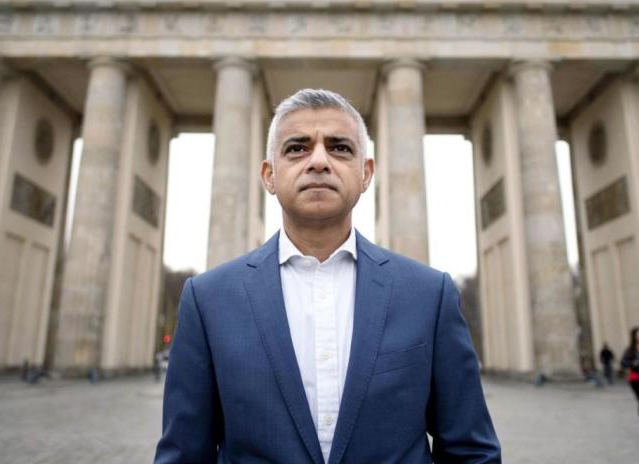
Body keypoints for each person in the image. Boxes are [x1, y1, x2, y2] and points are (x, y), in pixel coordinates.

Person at [155, 89, 501, 463]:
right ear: (269, 175)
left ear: (366, 173)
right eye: (297, 148)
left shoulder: (429, 296)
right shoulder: (208, 301)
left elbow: (471, 451)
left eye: (339, 148)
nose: (318, 160)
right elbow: (185, 455)